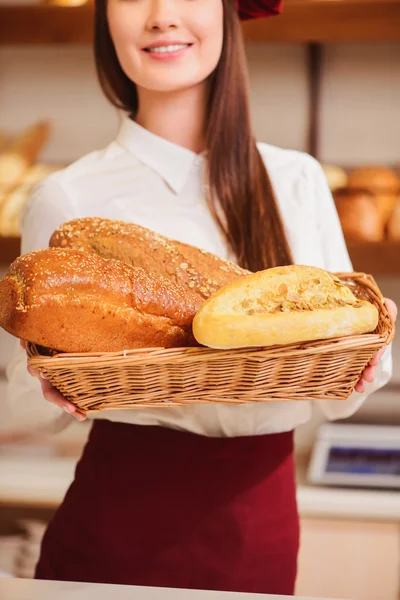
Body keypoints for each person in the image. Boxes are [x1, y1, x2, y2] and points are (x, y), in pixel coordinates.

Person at [5, 0, 397, 594]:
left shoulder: (296, 181)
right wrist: (49, 383)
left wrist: (369, 352)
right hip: (119, 522)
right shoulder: (66, 196)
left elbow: (337, 398)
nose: (162, 16)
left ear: (227, 12)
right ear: (104, 18)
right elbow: (17, 402)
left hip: (263, 520)